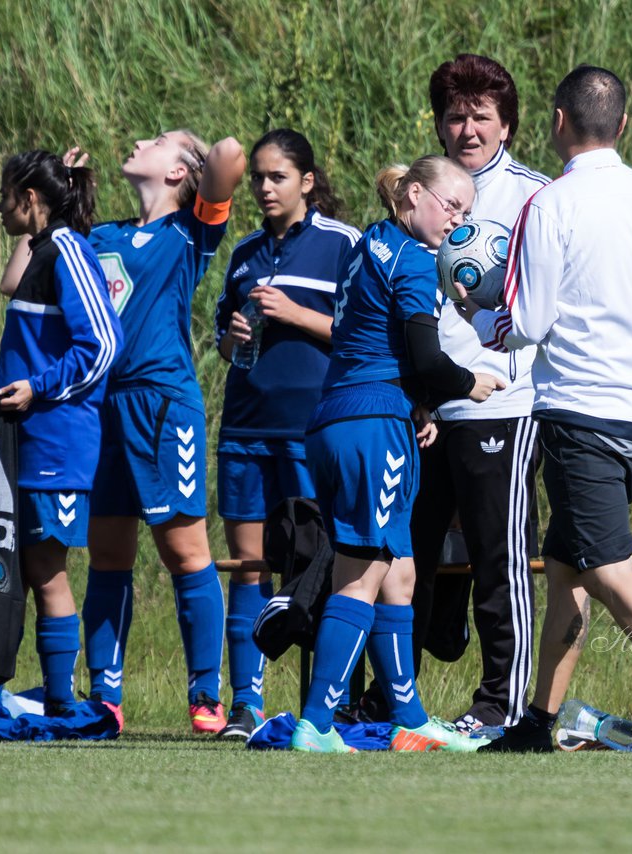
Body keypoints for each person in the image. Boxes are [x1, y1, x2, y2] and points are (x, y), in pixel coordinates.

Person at [460, 65, 632, 755]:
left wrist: (476, 308)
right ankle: (536, 722)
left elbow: (526, 321)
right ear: (622, 124)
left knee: (609, 569)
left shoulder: (549, 204)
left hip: (577, 411)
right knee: (566, 571)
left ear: (559, 122)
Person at [290, 154, 505, 753]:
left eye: (467, 210)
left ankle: (408, 717)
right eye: (450, 205)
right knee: (360, 580)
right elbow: (425, 357)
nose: (458, 220)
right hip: (372, 427)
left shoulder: (371, 243)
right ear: (413, 194)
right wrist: (469, 384)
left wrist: (422, 406)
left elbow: (373, 340)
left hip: (340, 419)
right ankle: (315, 723)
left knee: (401, 573)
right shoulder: (413, 260)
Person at [376, 53, 547, 733]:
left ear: (506, 125)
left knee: (496, 557)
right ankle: (393, 699)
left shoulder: (536, 195)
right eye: (455, 115)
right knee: (402, 557)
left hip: (501, 403)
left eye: (481, 116)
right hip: (426, 410)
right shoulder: (421, 192)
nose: (467, 128)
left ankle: (499, 705)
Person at [79, 129, 244, 732]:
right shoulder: (105, 236)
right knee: (108, 553)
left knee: (184, 548)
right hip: (102, 405)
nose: (139, 140)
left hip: (162, 406)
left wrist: (194, 147)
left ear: (179, 173)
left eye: (157, 142)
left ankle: (205, 695)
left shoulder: (188, 233)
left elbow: (229, 155)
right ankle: (105, 697)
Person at [212, 128, 359, 738]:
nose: (266, 188)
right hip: (245, 428)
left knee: (319, 564)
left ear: (306, 181)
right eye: (258, 179)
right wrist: (232, 339)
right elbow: (224, 339)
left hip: (312, 431)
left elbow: (361, 334)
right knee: (250, 566)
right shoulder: (244, 252)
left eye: (277, 177)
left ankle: (328, 704)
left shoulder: (342, 244)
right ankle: (244, 702)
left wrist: (295, 314)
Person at [0, 149, 120, 716]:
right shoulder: (46, 247)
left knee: (45, 569)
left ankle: (65, 704)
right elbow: (10, 280)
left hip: (56, 439)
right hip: (27, 434)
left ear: (30, 199)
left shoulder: (69, 250)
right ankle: (42, 694)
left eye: (6, 196)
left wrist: (38, 387)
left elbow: (103, 344)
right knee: (23, 567)